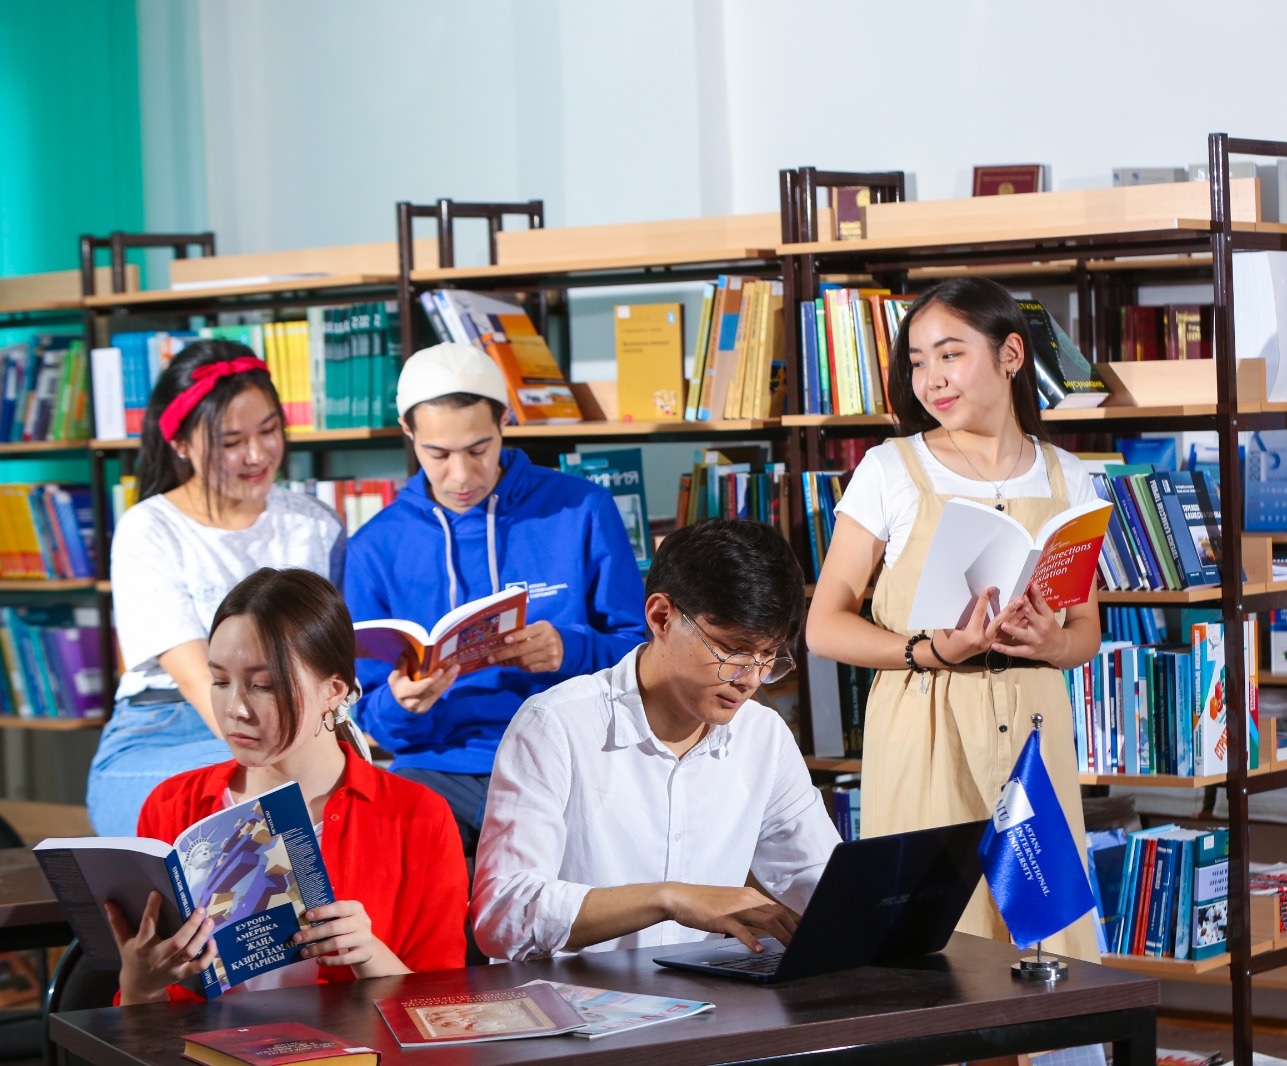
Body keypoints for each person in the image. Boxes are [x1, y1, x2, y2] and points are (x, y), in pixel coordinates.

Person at [803, 276, 1101, 961]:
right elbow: (824, 625)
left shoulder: (1068, 477)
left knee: (1046, 940)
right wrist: (930, 649)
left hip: (1035, 726)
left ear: (1011, 355)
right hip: (924, 719)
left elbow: (1085, 630)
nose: (930, 378)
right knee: (931, 935)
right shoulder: (890, 469)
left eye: (950, 354)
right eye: (917, 361)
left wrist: (1053, 642)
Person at [472, 518, 842, 961]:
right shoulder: (556, 725)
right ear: (661, 617)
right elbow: (503, 914)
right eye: (733, 650)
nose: (751, 679)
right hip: (569, 997)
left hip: (706, 995)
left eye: (768, 656)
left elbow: (818, 876)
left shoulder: (763, 734)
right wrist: (668, 899)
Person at [105, 567, 466, 1003]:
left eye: (263, 686)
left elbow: (444, 1010)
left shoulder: (416, 816)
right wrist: (139, 985)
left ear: (333, 690)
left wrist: (369, 955)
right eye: (220, 681)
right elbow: (140, 1019)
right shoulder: (174, 803)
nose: (235, 708)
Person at [345, 342, 646, 850]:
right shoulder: (374, 547)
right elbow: (372, 718)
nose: (461, 475)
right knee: (388, 842)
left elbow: (644, 656)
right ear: (408, 432)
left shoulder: (581, 509)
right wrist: (401, 704)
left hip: (568, 755)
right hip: (437, 768)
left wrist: (569, 649)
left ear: (505, 420)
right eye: (438, 454)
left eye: (478, 449)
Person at [86, 340, 346, 837]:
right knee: (283, 787)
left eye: (269, 430)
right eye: (231, 442)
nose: (257, 454)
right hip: (166, 731)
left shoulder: (315, 523)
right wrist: (293, 753)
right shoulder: (149, 529)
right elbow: (198, 682)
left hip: (297, 721)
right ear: (181, 444)